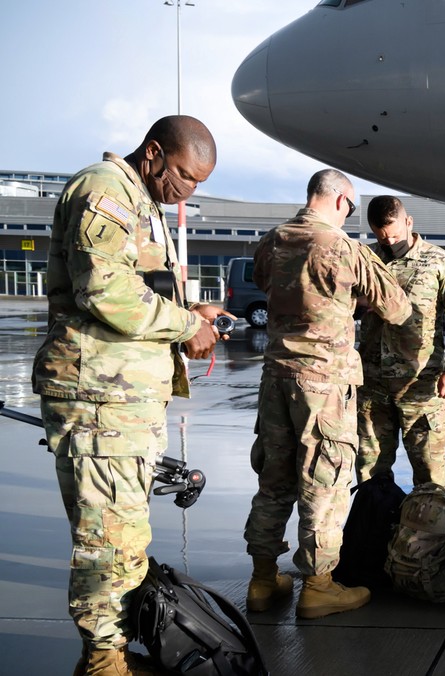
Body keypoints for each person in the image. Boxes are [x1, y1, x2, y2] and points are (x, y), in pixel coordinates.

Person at [33, 115, 230, 675]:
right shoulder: (105, 190)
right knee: (108, 540)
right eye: (186, 177)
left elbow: (137, 290)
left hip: (120, 401)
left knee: (124, 534)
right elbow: (105, 290)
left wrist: (190, 315)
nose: (188, 192)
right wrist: (183, 325)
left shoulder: (138, 201)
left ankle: (109, 652)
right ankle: (103, 661)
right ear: (153, 153)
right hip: (100, 401)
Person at [243, 170, 412, 620]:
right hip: (324, 384)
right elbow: (398, 308)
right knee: (325, 481)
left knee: (274, 479)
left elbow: (268, 284)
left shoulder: (272, 241)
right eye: (352, 208)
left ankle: (262, 581)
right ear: (340, 201)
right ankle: (319, 585)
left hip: (276, 377)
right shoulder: (345, 249)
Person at [356, 195, 445, 490]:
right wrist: (358, 303)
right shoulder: (366, 260)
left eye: (395, 235)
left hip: (422, 386)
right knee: (370, 473)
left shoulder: (438, 262)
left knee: (430, 473)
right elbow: (339, 306)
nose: (389, 243)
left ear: (408, 222)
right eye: (382, 237)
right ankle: (376, 532)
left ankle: (435, 534)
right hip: (373, 386)